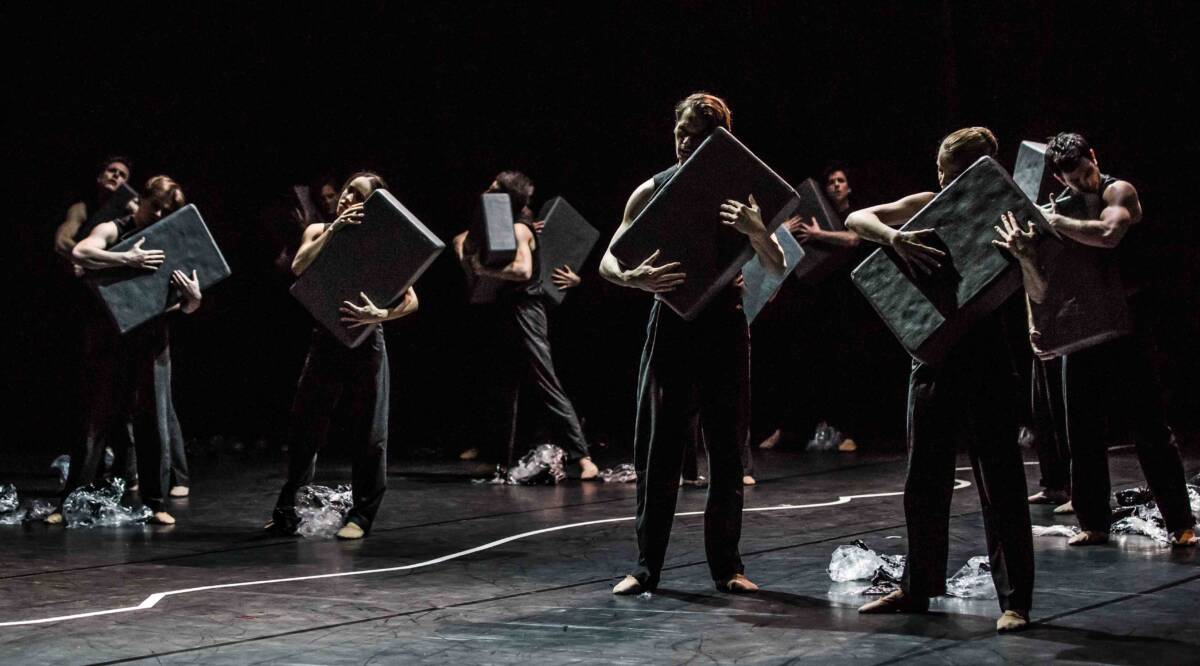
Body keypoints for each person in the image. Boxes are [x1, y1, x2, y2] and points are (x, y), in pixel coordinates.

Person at [847, 128, 1034, 633]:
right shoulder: (928, 203)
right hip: (932, 356)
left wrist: (1024, 252)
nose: (945, 184)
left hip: (987, 357)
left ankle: (1016, 600)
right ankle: (918, 588)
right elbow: (856, 218)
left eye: (954, 176)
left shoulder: (1006, 213)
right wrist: (895, 238)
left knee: (1000, 482)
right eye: (941, 174)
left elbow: (1039, 278)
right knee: (923, 481)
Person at [600, 92, 785, 595]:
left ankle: (728, 568)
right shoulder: (652, 190)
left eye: (694, 136)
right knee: (660, 448)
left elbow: (776, 265)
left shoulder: (741, 195)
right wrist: (632, 277)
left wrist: (756, 231)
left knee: (726, 450)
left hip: (724, 324)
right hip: (671, 324)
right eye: (679, 133)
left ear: (718, 142)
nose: (683, 143)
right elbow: (608, 260)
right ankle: (646, 567)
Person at [1000, 132, 1196, 547]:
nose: (1085, 182)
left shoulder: (1118, 191)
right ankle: (1093, 523)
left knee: (1150, 431)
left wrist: (1055, 222)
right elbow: (1043, 279)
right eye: (1074, 180)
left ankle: (1180, 524)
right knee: (1082, 434)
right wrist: (1038, 322)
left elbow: (1109, 234)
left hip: (1129, 328)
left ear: (1093, 157)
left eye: (1087, 172)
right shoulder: (1062, 207)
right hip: (1084, 332)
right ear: (1060, 179)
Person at [269, 171, 419, 540]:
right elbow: (299, 266)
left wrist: (381, 314)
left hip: (366, 340)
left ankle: (362, 516)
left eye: (358, 195)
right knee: (305, 425)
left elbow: (412, 300)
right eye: (348, 189)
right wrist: (335, 229)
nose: (346, 197)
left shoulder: (382, 243)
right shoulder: (319, 229)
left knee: (370, 432)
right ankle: (289, 510)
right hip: (326, 338)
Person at [48, 175, 201, 526]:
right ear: (141, 200)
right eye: (154, 206)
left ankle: (155, 503)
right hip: (110, 337)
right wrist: (127, 258)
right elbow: (80, 252)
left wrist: (193, 300)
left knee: (153, 424)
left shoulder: (174, 241)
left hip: (152, 341)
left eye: (166, 211)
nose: (158, 215)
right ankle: (68, 504)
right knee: (94, 422)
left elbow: (186, 303)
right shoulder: (114, 228)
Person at [454, 172, 599, 479]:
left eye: (494, 188)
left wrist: (483, 270)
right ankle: (500, 455)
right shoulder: (508, 224)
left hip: (526, 308)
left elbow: (522, 270)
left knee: (546, 380)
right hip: (508, 308)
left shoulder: (519, 228)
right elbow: (461, 241)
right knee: (504, 384)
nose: (487, 190)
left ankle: (584, 458)